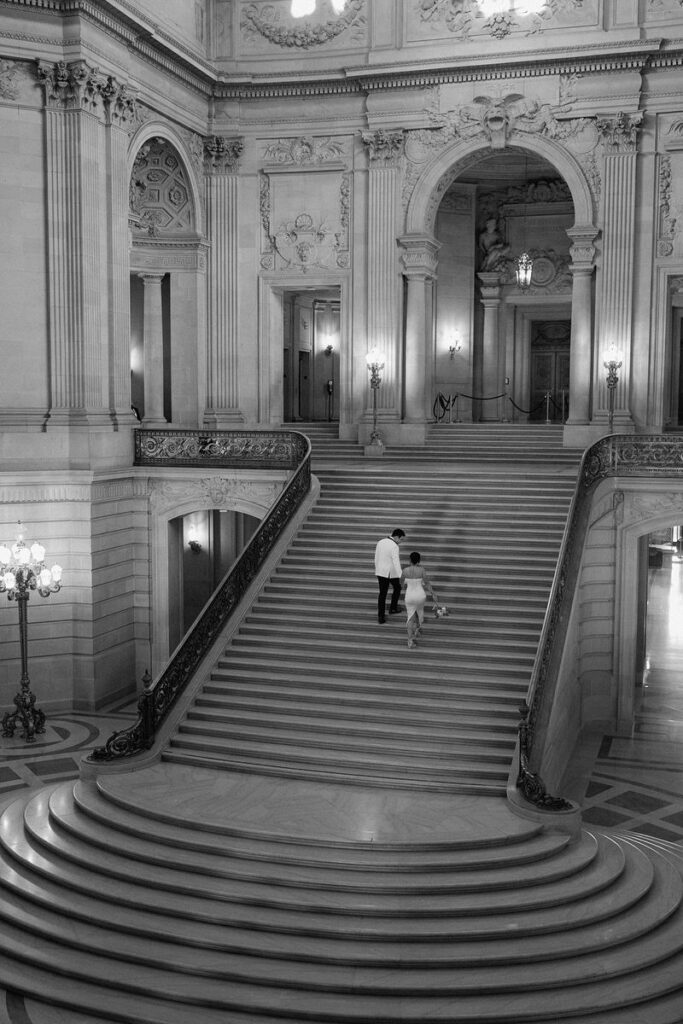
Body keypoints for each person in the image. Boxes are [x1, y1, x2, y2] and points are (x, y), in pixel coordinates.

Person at [401, 551, 437, 649]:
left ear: (410, 560)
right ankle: (417, 629)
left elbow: (400, 585)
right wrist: (433, 593)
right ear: (419, 561)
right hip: (420, 596)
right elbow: (427, 583)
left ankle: (410, 640)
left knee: (410, 617)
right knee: (419, 612)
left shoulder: (405, 571)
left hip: (409, 596)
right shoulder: (422, 570)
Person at [374, 528, 405, 623]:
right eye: (401, 539)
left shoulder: (380, 542)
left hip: (380, 572)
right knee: (397, 588)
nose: (401, 542)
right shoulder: (394, 546)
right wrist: (401, 575)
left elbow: (376, 557)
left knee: (382, 594)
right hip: (390, 572)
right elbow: (396, 562)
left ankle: (381, 617)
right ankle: (393, 608)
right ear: (396, 537)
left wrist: (377, 569)